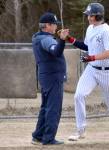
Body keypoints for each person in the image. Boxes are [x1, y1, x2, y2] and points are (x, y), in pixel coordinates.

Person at [67, 3, 109, 145]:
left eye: (90, 15)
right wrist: (69, 39)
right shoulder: (90, 28)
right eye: (88, 15)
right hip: (92, 69)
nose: (88, 17)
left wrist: (91, 57)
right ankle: (80, 130)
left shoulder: (107, 31)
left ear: (98, 15)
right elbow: (87, 46)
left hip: (107, 71)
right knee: (79, 95)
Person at [31, 12, 69, 145]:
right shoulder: (46, 39)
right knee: (53, 108)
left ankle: (38, 136)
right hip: (52, 77)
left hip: (46, 76)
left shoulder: (38, 38)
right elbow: (56, 51)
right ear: (47, 25)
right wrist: (62, 39)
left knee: (46, 107)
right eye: (54, 24)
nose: (56, 27)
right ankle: (48, 138)